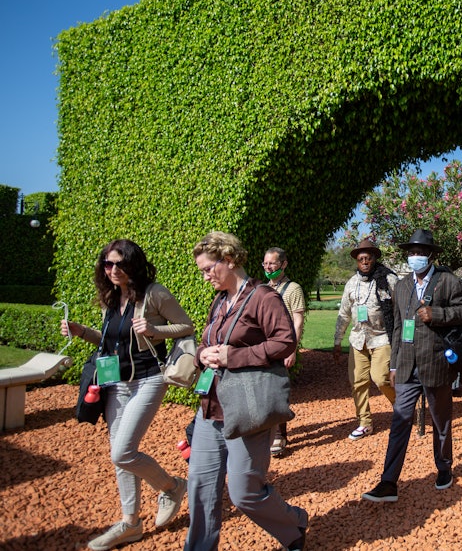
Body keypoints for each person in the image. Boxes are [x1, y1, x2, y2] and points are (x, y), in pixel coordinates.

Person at [61, 239, 193, 551]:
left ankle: (172, 486)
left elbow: (186, 326)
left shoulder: (154, 293)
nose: (114, 270)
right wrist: (81, 331)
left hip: (148, 380)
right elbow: (109, 342)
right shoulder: (111, 297)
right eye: (108, 264)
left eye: (120, 263)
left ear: (134, 264)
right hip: (115, 383)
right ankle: (130, 523)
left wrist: (154, 330)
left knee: (122, 452)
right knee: (122, 458)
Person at [187, 231, 307, 551]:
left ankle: (294, 524)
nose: (205, 276)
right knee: (200, 487)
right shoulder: (220, 300)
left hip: (246, 408)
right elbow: (205, 342)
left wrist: (233, 356)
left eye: (208, 268)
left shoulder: (263, 297)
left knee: (245, 494)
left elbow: (285, 342)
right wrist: (203, 355)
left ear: (229, 259)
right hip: (211, 407)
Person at [362, 229, 462, 502]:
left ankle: (444, 467)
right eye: (411, 253)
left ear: (431, 255)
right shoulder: (401, 286)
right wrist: (395, 363)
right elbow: (398, 328)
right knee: (399, 421)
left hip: (436, 363)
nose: (415, 257)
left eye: (420, 253)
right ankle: (388, 482)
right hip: (408, 366)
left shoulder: (447, 281)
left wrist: (438, 314)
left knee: (441, 420)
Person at [333, 239, 398, 440]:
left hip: (381, 338)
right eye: (361, 259)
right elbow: (344, 314)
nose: (365, 262)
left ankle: (401, 407)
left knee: (380, 378)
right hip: (358, 339)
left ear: (374, 258)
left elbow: (399, 308)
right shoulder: (352, 284)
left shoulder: (388, 279)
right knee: (358, 382)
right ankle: (364, 422)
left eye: (368, 258)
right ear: (356, 261)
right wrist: (338, 340)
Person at [262, 247, 306, 456]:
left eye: (272, 263)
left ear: (283, 264)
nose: (268, 267)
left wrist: (292, 349)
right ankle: (266, 431)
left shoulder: (293, 289)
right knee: (263, 391)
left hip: (282, 347)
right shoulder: (263, 289)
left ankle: (280, 435)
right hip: (263, 348)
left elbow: (298, 321)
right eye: (266, 264)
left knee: (278, 392)